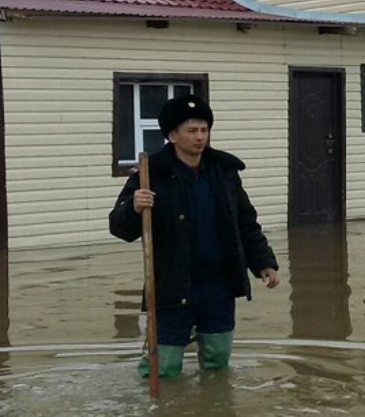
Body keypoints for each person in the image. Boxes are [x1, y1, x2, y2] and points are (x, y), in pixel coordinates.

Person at [109, 94, 280, 378]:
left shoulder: (224, 172)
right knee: (161, 368)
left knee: (217, 364)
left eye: (204, 130)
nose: (200, 137)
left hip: (219, 287)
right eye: (192, 130)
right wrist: (134, 208)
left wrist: (264, 262)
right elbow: (119, 227)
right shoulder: (151, 174)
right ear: (172, 135)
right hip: (171, 287)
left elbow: (246, 223)